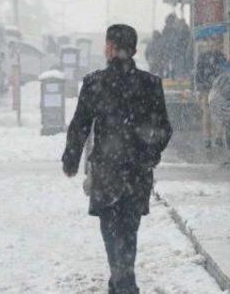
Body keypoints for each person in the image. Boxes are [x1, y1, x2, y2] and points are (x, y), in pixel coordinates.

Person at [62, 24, 172, 294]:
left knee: (110, 227)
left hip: (107, 169)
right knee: (129, 227)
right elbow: (164, 129)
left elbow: (80, 125)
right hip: (137, 170)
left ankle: (122, 280)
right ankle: (123, 279)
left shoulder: (95, 82)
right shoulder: (150, 84)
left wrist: (71, 158)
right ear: (134, 50)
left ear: (110, 48)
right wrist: (150, 155)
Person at [195, 37, 226, 149]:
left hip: (218, 89)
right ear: (208, 43)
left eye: (216, 43)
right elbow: (198, 74)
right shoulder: (203, 57)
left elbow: (224, 73)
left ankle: (219, 136)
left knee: (218, 113)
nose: (213, 45)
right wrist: (199, 89)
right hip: (206, 89)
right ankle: (208, 137)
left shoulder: (221, 57)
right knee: (207, 113)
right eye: (211, 43)